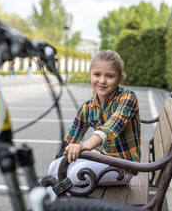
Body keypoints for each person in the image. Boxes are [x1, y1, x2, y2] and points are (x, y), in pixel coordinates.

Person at [46, 50, 141, 200]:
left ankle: (59, 203)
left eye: (109, 76)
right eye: (97, 74)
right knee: (55, 167)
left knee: (75, 172)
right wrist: (57, 162)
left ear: (120, 78)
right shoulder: (87, 108)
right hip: (103, 158)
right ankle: (48, 205)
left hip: (122, 168)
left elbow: (111, 127)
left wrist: (84, 146)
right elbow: (70, 140)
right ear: (90, 74)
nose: (102, 81)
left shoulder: (128, 97)